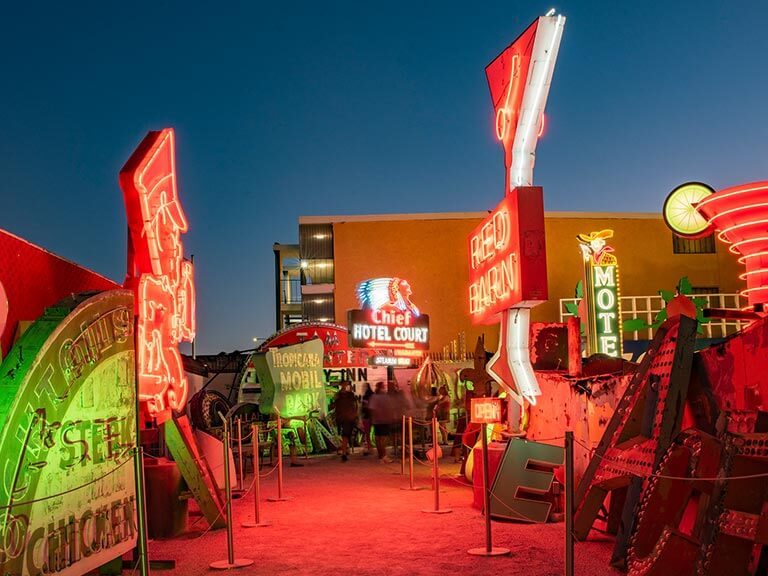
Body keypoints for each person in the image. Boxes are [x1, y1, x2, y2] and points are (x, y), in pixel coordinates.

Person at [331, 381, 357, 462]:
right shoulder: (340, 395)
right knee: (345, 435)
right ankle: (344, 452)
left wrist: (355, 414)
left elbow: (355, 405)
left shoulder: (349, 395)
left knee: (346, 435)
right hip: (344, 418)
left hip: (346, 417)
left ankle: (345, 450)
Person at [368, 381, 394, 463]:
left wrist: (372, 418)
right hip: (384, 420)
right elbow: (389, 408)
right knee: (383, 439)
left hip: (377, 420)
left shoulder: (374, 397)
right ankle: (384, 456)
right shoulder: (385, 397)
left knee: (378, 439)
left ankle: (380, 455)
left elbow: (371, 409)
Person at [360, 383, 374, 455]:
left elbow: (364, 407)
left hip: (366, 416)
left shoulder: (365, 397)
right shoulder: (373, 395)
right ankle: (371, 446)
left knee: (367, 433)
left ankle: (369, 447)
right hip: (374, 416)